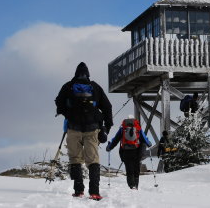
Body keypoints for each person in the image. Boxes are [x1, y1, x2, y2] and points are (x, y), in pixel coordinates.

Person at [55, 62, 113, 201]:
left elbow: (58, 102)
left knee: (75, 159)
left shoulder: (68, 86)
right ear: (88, 74)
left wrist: (67, 114)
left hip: (73, 128)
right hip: (92, 129)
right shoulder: (95, 87)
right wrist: (106, 127)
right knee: (93, 160)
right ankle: (94, 192)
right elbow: (107, 107)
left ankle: (78, 190)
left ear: (76, 73)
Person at [106, 115, 152, 190]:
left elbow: (115, 140)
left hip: (126, 152)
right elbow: (144, 139)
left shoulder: (122, 129)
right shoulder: (138, 128)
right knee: (136, 169)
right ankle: (136, 186)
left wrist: (109, 147)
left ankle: (132, 186)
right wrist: (149, 143)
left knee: (129, 169)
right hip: (137, 151)